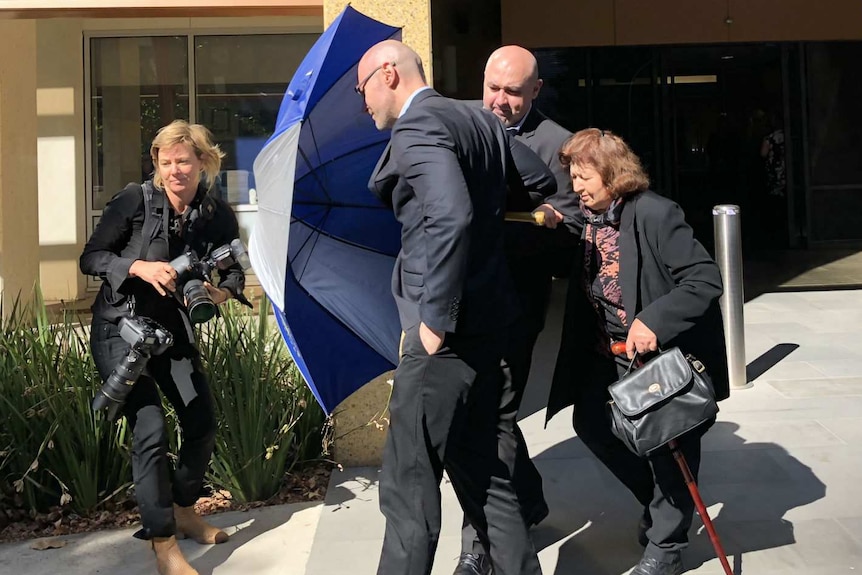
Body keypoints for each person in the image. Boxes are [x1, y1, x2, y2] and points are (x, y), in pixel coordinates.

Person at [359, 40, 543, 575]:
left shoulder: (417, 127)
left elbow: (451, 215)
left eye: (363, 88)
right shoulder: (478, 120)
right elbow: (536, 183)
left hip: (444, 337)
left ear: (388, 74)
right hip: (491, 327)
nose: (363, 102)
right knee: (488, 480)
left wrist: (435, 319)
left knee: (408, 491)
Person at [547, 129, 729, 575]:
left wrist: (655, 319)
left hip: (655, 355)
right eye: (572, 176)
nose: (577, 186)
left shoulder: (655, 213)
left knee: (667, 444)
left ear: (612, 173)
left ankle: (667, 544)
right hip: (603, 352)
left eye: (584, 176)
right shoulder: (586, 216)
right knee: (590, 422)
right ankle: (659, 504)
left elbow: (705, 278)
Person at [80, 120, 250, 575]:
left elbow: (233, 266)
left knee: (201, 423)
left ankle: (184, 509)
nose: (175, 169)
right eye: (167, 161)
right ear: (157, 163)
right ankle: (163, 544)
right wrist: (138, 267)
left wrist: (223, 292)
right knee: (150, 430)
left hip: (172, 333)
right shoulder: (134, 200)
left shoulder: (214, 212)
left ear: (202, 162)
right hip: (122, 332)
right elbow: (91, 256)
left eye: (185, 161)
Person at [452, 45, 584, 575]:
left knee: (491, 416)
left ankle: (477, 546)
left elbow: (577, 221)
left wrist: (550, 218)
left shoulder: (559, 144)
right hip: (464, 297)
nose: (499, 101)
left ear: (535, 92)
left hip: (519, 300)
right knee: (484, 416)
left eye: (512, 92)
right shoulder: (459, 125)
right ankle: (525, 497)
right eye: (493, 88)